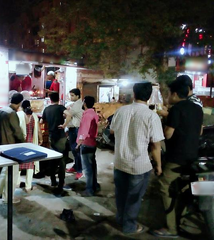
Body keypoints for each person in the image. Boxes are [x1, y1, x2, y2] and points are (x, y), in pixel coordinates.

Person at [151, 78, 203, 238]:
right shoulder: (198, 108)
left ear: (174, 94)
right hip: (193, 156)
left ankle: (171, 227)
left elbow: (168, 133)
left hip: (177, 157)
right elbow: (200, 132)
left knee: (164, 185)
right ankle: (183, 218)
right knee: (185, 189)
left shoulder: (176, 109)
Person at [110, 82, 164, 234]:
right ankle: (129, 226)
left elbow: (112, 132)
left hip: (120, 162)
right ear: (149, 96)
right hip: (139, 165)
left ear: (134, 94)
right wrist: (158, 165)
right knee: (134, 198)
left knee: (121, 195)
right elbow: (155, 145)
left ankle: (120, 219)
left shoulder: (121, 111)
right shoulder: (152, 116)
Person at [0, 93, 25, 203]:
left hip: (0, 145)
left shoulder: (1, 110)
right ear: (20, 103)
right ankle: (8, 197)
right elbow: (17, 131)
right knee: (13, 172)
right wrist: (23, 142)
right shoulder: (12, 113)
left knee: (5, 169)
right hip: (11, 146)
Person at [41, 92, 71, 196]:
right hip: (60, 137)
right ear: (58, 99)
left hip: (51, 137)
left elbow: (41, 121)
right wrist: (64, 124)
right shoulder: (60, 108)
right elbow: (69, 114)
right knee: (62, 160)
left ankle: (53, 180)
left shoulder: (47, 109)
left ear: (50, 99)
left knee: (53, 159)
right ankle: (61, 184)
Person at [17, 100, 43, 192]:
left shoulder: (18, 115)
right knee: (30, 165)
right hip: (31, 143)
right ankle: (28, 186)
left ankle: (17, 183)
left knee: (18, 163)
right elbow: (39, 130)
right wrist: (40, 139)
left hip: (20, 144)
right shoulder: (34, 116)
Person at [76, 96, 99, 196]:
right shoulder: (94, 114)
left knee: (87, 169)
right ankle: (94, 186)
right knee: (92, 166)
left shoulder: (87, 115)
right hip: (92, 143)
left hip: (86, 143)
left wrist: (79, 143)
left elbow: (84, 131)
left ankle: (89, 190)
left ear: (84, 103)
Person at [62, 88, 84, 180]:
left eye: (72, 95)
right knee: (74, 150)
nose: (70, 97)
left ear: (78, 96)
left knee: (76, 150)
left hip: (76, 129)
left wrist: (64, 110)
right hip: (73, 129)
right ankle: (76, 167)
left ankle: (79, 170)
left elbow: (68, 114)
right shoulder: (74, 104)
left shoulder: (77, 105)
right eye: (70, 95)